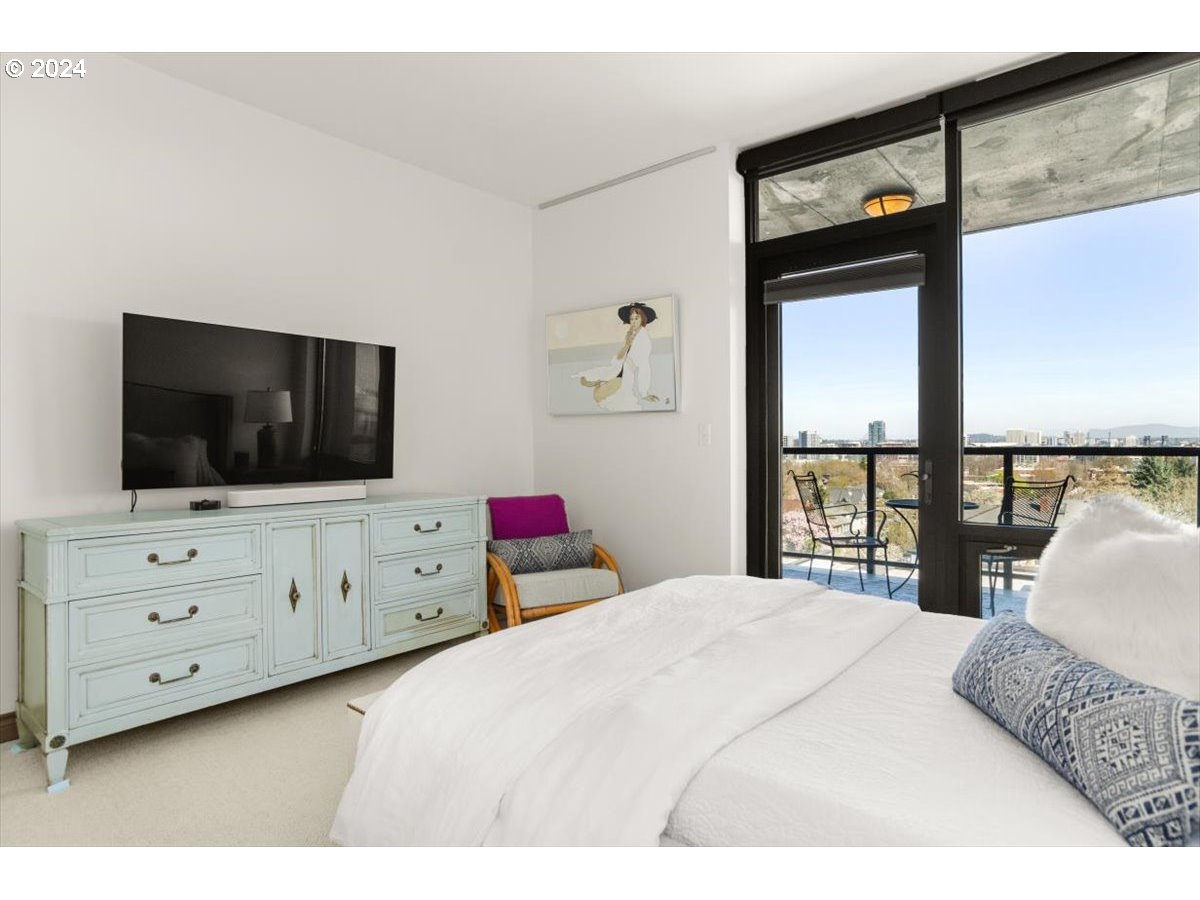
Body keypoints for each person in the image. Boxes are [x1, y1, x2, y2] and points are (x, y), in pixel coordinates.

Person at [575, 301, 661, 411]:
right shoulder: (631, 334)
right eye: (632, 319)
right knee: (584, 380)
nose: (633, 322)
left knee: (599, 397)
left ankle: (602, 383)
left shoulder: (644, 337)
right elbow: (619, 357)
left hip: (625, 376)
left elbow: (644, 366)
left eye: (637, 318)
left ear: (642, 319)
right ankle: (601, 382)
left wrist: (644, 392)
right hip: (618, 368)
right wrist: (627, 344)